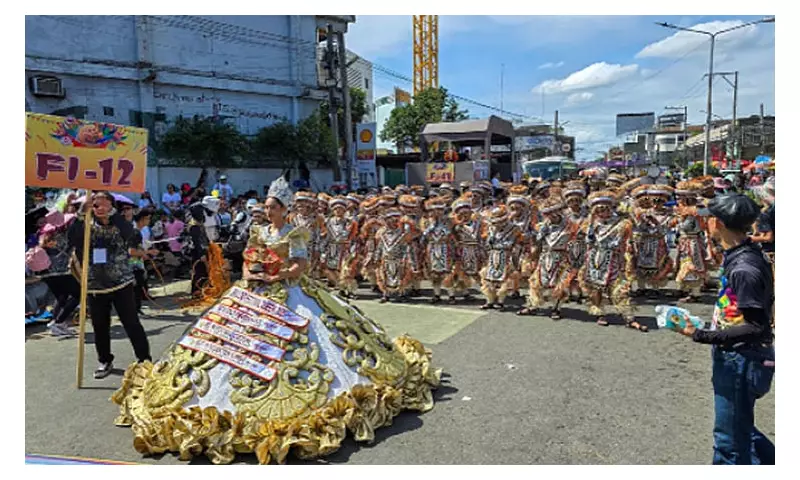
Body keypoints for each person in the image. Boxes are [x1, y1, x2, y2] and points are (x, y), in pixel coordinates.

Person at [110, 177, 442, 465]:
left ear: (284, 209)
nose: (268, 212)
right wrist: (252, 273)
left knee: (307, 344)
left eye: (273, 207)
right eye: (266, 207)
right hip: (254, 291)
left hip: (290, 292)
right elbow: (247, 260)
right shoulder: (259, 231)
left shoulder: (295, 232)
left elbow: (301, 265)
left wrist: (278, 273)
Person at [673, 194, 774, 465]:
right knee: (742, 430)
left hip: (742, 359)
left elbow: (755, 326)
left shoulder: (744, 267)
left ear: (716, 223)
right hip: (737, 354)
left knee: (729, 443)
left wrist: (700, 334)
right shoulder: (739, 255)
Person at [67, 192, 151, 379]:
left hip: (122, 283)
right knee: (100, 326)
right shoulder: (86, 226)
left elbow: (130, 233)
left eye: (106, 205)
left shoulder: (121, 224)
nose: (101, 209)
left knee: (131, 323)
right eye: (96, 205)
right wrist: (81, 214)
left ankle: (144, 360)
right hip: (95, 286)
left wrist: (112, 214)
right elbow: (72, 239)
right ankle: (105, 360)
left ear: (113, 207)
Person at [131, 208, 159, 314]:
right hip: (132, 263)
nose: (149, 221)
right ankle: (134, 309)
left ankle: (136, 308)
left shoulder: (140, 231)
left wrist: (146, 252)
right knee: (136, 285)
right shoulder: (134, 232)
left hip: (138, 261)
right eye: (148, 219)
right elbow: (132, 251)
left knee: (139, 284)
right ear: (142, 219)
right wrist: (148, 252)